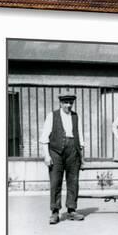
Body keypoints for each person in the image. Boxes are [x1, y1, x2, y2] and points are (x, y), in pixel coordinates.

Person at [40, 93, 85, 225]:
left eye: (70, 103)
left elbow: (80, 137)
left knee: (73, 181)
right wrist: (47, 156)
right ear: (60, 103)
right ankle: (55, 212)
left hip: (73, 152)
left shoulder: (76, 116)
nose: (68, 105)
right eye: (66, 103)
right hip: (56, 152)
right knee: (55, 181)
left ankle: (71, 209)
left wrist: (82, 158)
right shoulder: (52, 116)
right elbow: (44, 138)